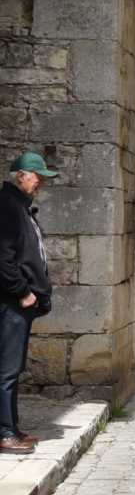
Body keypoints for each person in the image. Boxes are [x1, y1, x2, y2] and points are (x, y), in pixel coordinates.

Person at [0, 151, 59, 454]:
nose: (41, 184)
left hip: (21, 301)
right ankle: (5, 432)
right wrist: (23, 291)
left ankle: (12, 427)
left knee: (13, 367)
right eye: (37, 177)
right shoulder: (9, 207)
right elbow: (4, 258)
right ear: (21, 175)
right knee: (7, 369)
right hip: (12, 301)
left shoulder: (19, 207)